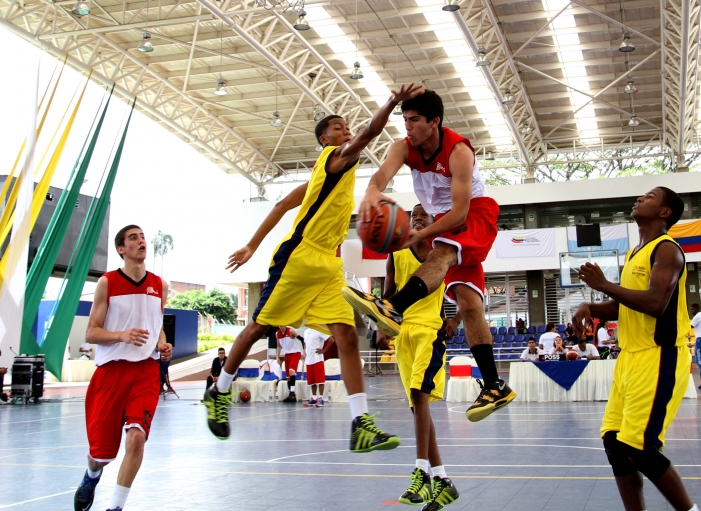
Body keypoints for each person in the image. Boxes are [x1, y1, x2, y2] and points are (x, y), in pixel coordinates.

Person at [204, 83, 422, 451]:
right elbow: (370, 133)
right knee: (259, 327)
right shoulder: (336, 157)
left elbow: (279, 207)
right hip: (300, 257)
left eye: (346, 126)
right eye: (337, 127)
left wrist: (250, 245)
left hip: (328, 263)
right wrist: (392, 102)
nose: (346, 130)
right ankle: (219, 389)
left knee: (348, 336)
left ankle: (360, 423)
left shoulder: (322, 179)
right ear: (325, 139)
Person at [343, 89, 516, 421]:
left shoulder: (459, 151)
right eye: (405, 119)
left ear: (434, 122)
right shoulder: (404, 148)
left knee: (442, 253)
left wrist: (420, 233)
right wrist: (370, 193)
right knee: (468, 303)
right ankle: (495, 384)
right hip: (443, 219)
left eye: (415, 120)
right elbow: (381, 176)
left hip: (474, 214)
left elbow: (462, 213)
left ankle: (393, 307)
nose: (408, 126)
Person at [572, 187, 701, 511]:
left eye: (650, 196)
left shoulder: (668, 250)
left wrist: (602, 284)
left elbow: (657, 303)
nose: (640, 198)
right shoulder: (634, 253)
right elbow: (626, 306)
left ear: (664, 212)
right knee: (615, 443)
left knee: (639, 447)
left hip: (659, 356)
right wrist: (591, 305)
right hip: (629, 358)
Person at [74, 225, 173, 511]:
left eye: (142, 237)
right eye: (133, 238)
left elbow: (158, 329)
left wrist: (162, 345)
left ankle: (115, 507)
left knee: (137, 438)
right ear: (122, 249)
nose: (141, 241)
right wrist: (121, 335)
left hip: (145, 371)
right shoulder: (107, 283)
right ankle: (92, 475)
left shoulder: (159, 285)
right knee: (101, 454)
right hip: (111, 372)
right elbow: (91, 333)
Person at [381, 200, 460, 510]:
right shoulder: (396, 253)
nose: (415, 219)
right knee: (417, 407)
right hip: (404, 336)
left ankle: (421, 472)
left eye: (421, 216)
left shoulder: (444, 254)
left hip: (430, 331)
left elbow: (466, 290)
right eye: (413, 216)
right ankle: (443, 480)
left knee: (419, 394)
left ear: (434, 221)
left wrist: (454, 320)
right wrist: (378, 320)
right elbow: (389, 296)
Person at [276, 325, 303, 402]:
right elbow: (278, 346)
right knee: (288, 376)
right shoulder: (277, 334)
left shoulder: (291, 331)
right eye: (280, 326)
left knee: (292, 371)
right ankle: (291, 395)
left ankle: (292, 393)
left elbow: (302, 339)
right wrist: (277, 356)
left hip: (295, 353)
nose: (282, 327)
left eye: (283, 326)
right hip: (287, 354)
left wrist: (304, 351)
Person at [302, 326, 328, 407]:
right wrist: (305, 352)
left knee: (320, 380)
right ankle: (314, 398)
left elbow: (331, 340)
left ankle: (321, 398)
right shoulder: (306, 332)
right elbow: (305, 343)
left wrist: (323, 350)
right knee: (312, 380)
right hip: (309, 360)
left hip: (317, 358)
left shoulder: (320, 329)